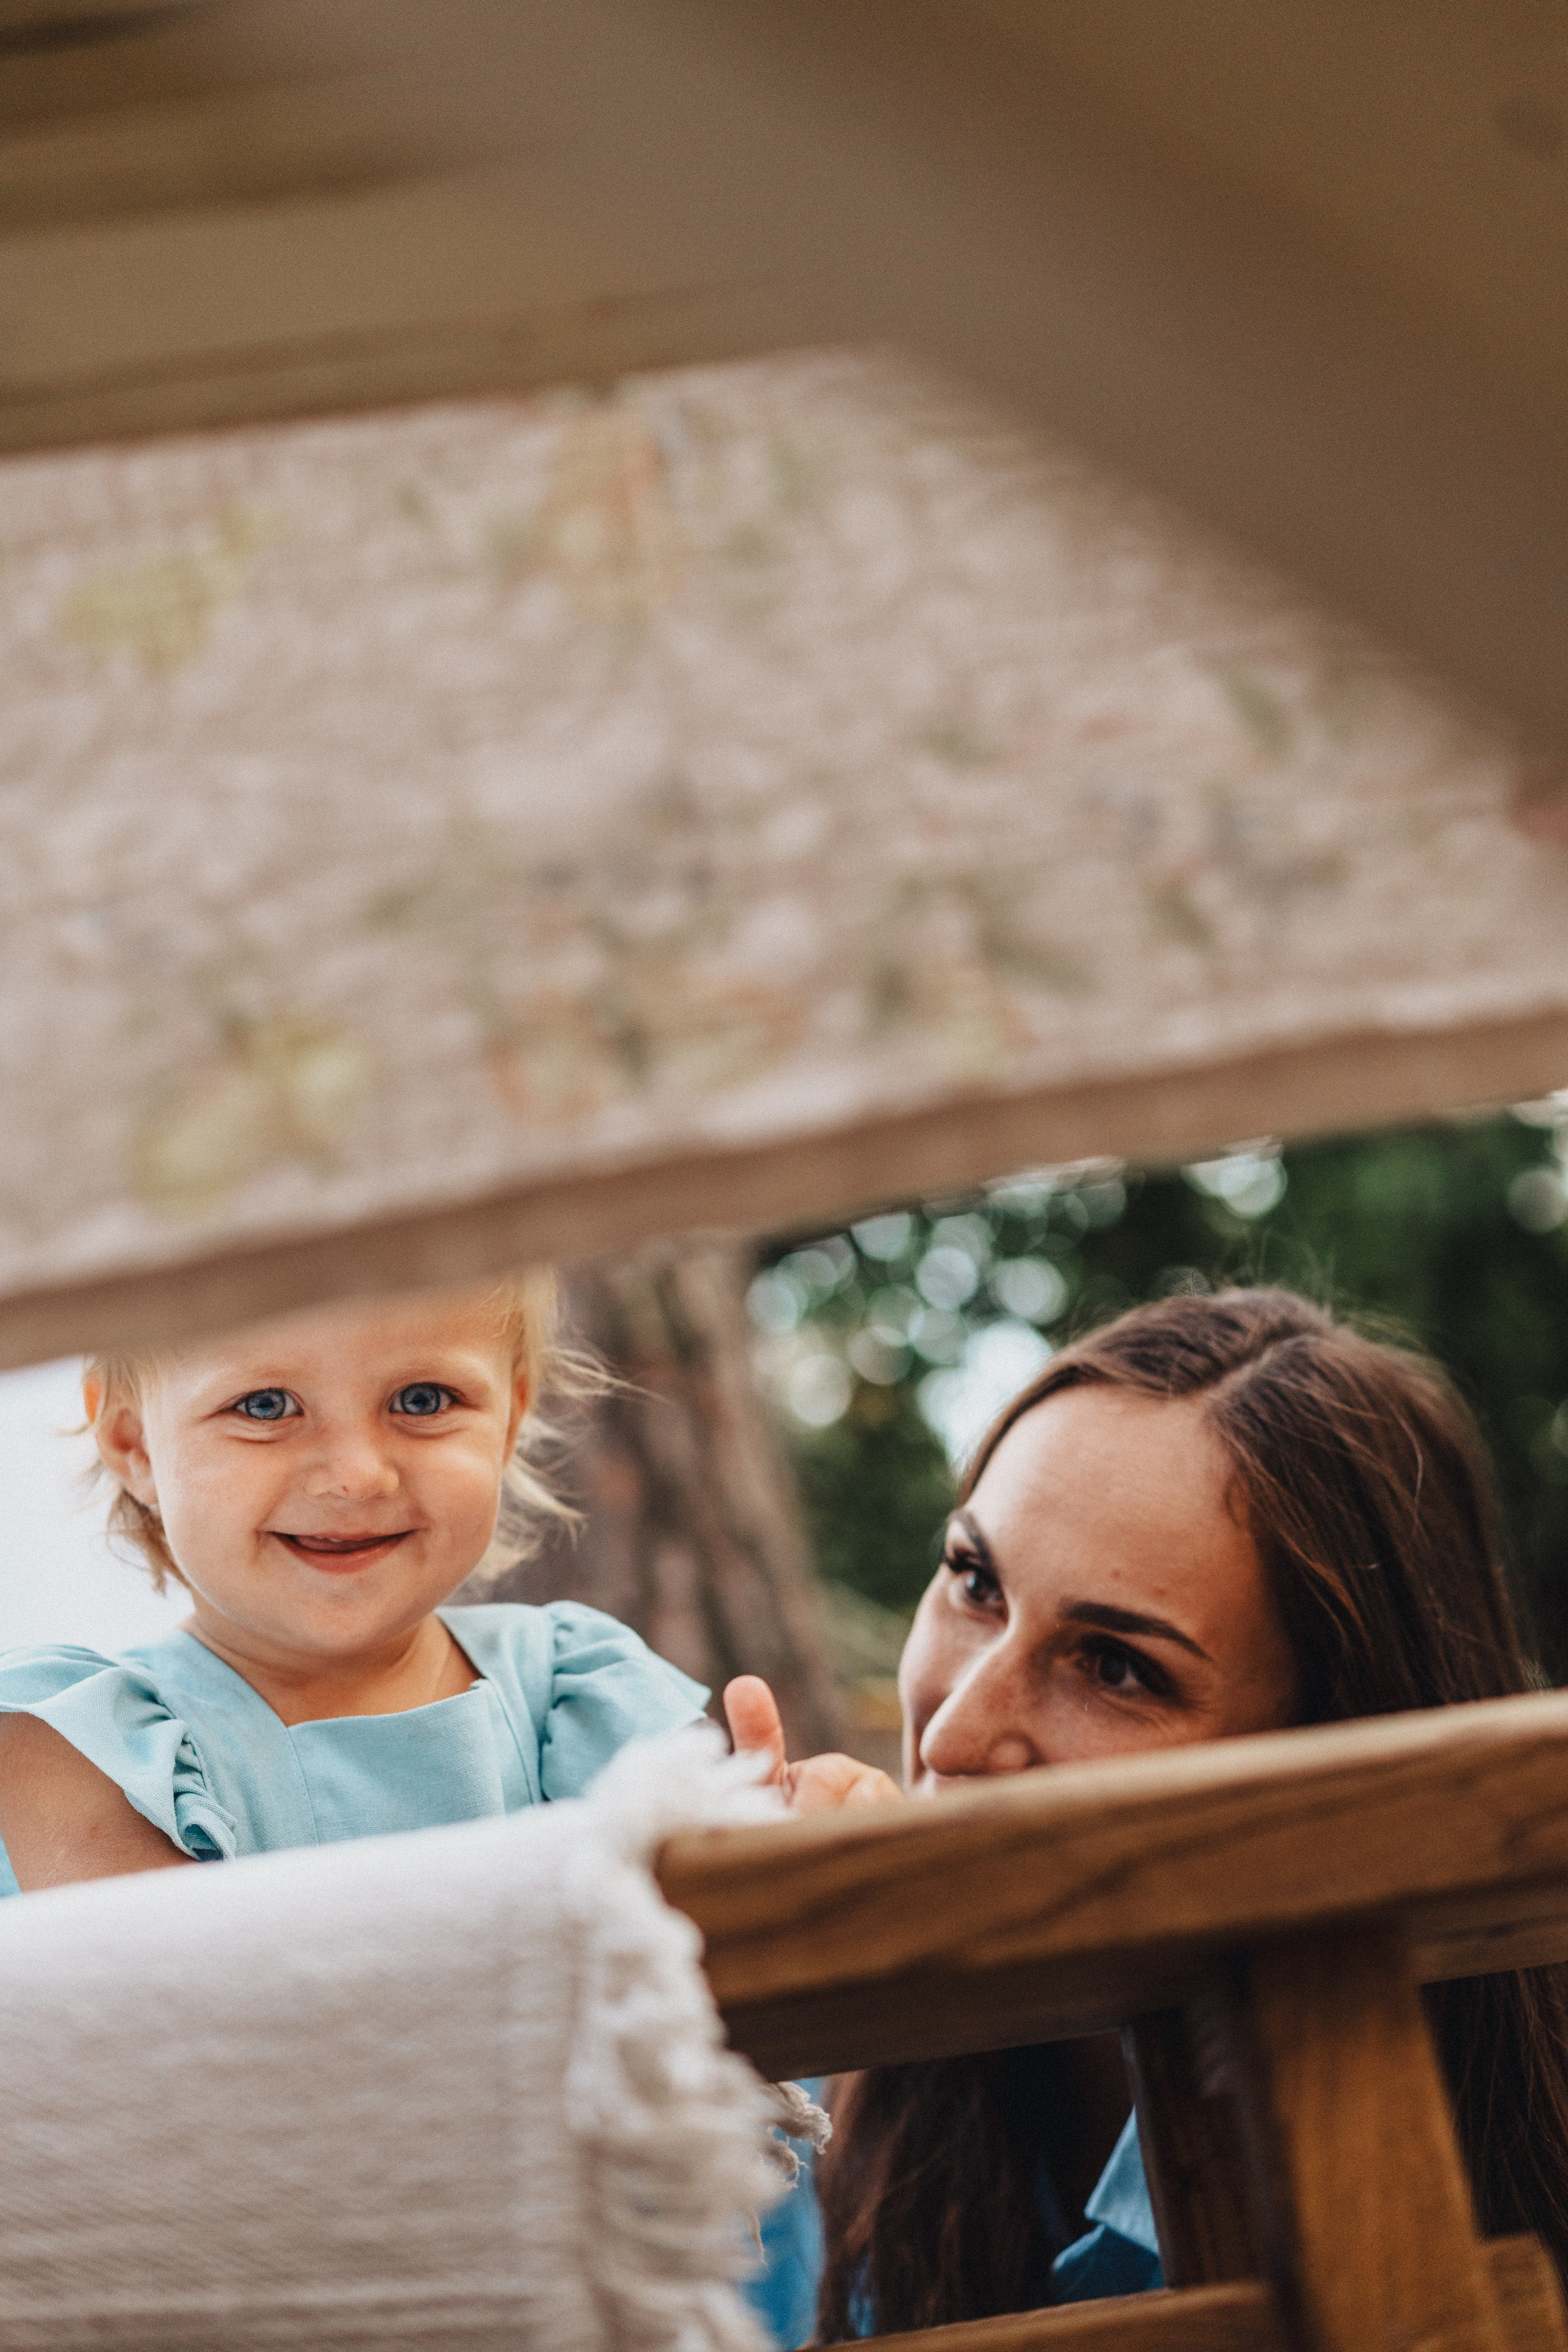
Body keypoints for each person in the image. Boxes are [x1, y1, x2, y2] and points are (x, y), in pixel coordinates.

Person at [801, 1287, 1568, 2337]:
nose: (951, 1739)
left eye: (1116, 1668)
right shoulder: (791, 2125)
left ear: (1334, 1743)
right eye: (975, 1581)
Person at [0, 1274, 892, 1897]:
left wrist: (805, 1863)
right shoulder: (76, 1746)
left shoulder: (577, 1691)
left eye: (422, 1400)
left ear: (510, 1419)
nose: (357, 1476)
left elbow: (709, 1982)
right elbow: (194, 2050)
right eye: (265, 1406)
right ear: (133, 1444)